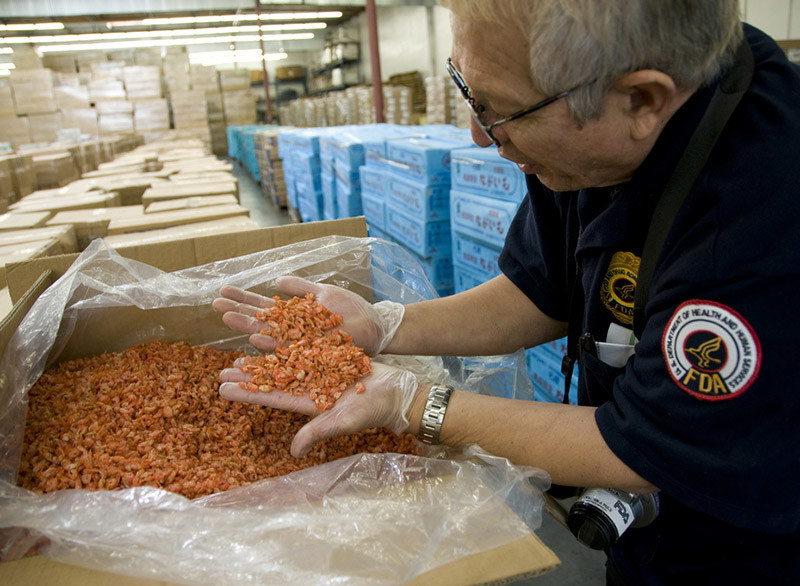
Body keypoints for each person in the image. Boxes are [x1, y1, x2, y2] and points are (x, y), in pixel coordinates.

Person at [213, 1, 800, 583]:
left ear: (642, 101)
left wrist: (411, 404)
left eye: (498, 111)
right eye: (470, 94)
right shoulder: (587, 129)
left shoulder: (755, 221)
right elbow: (538, 291)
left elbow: (638, 445)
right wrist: (386, 324)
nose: (479, 135)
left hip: (742, 548)